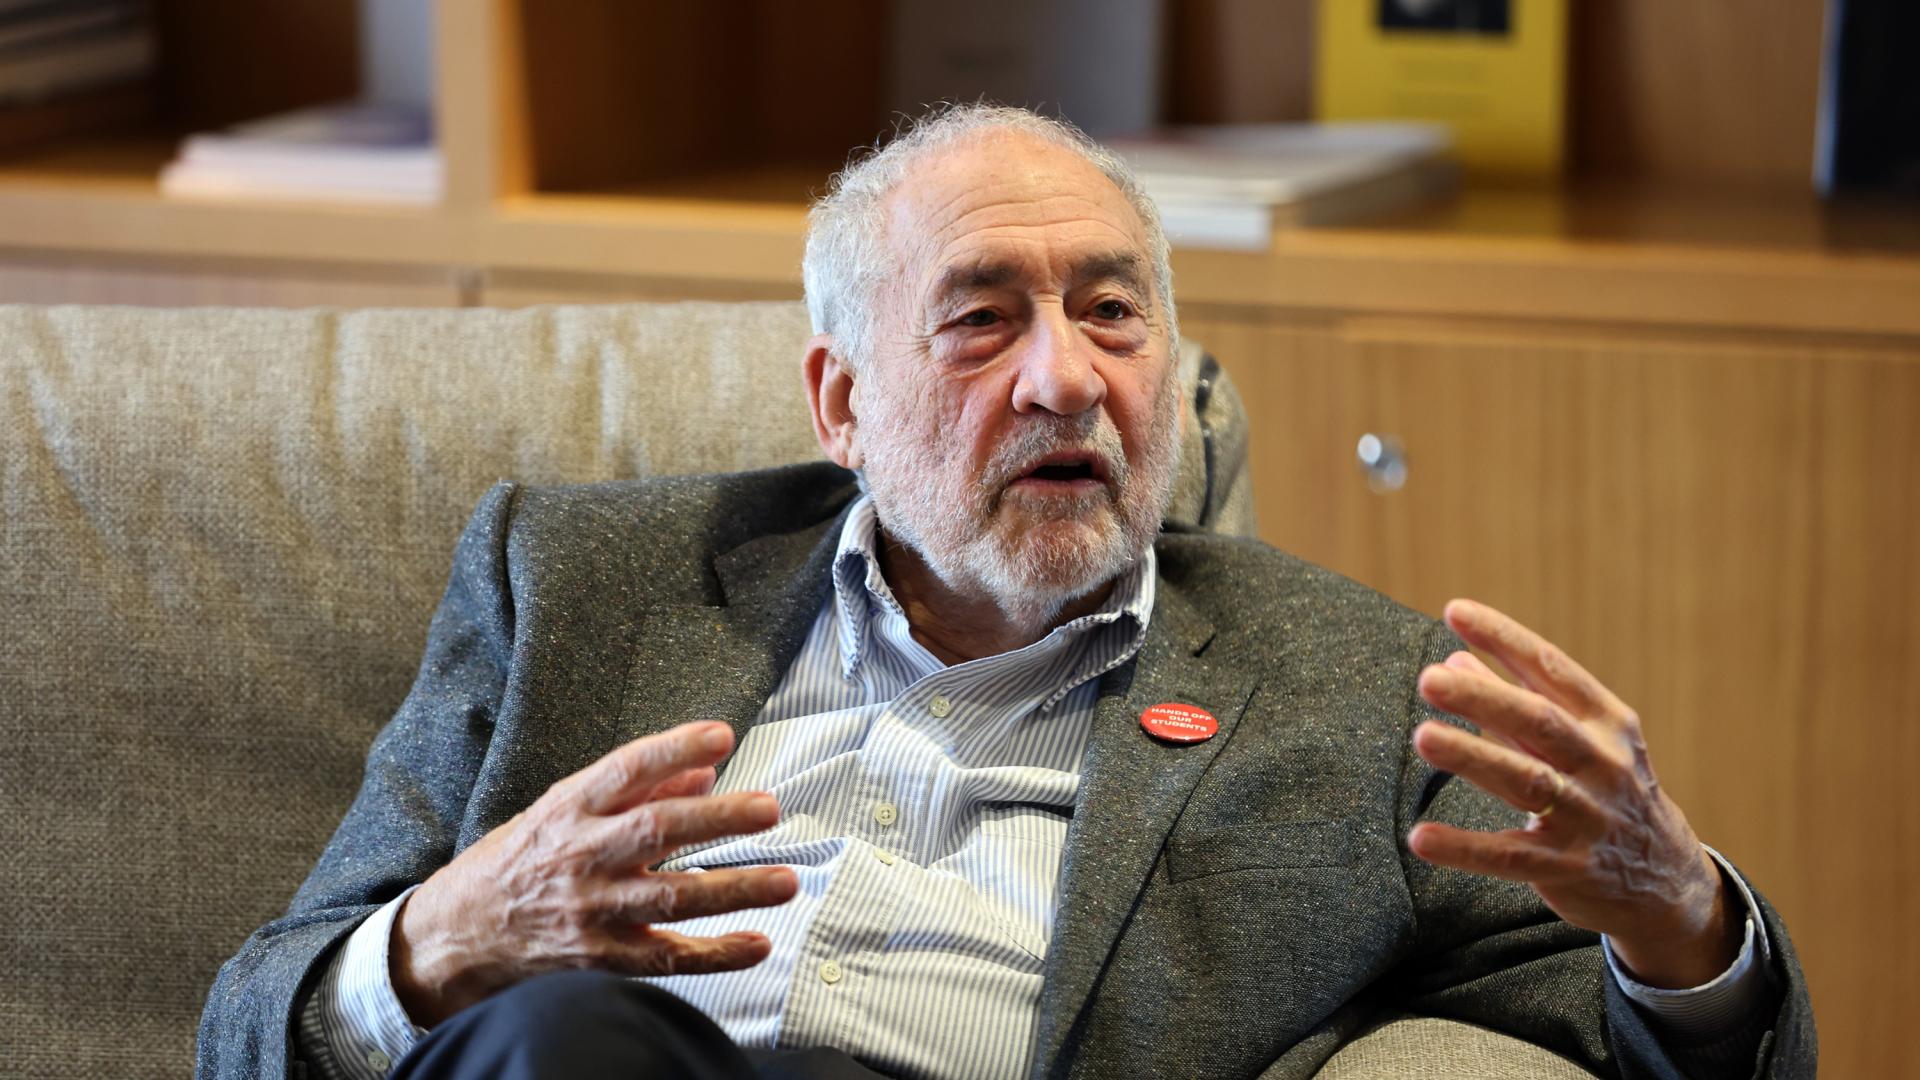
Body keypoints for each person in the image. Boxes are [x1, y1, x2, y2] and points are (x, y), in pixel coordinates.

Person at [199, 104, 1812, 1080]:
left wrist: (1688, 921)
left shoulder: (1355, 693)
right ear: (840, 405)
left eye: (1112, 314)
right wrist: (436, 946)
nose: (1066, 378)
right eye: (980, 320)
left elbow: (1659, 1045)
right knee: (561, 1043)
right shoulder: (570, 583)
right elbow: (251, 1025)